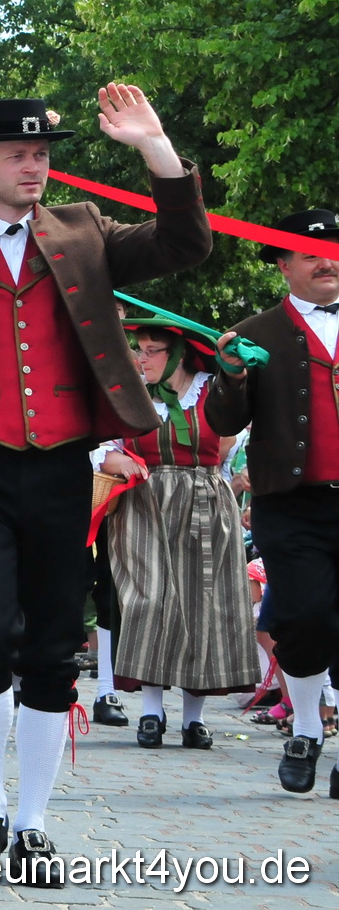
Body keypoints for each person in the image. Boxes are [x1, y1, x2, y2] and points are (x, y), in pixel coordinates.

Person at [0, 89, 211, 885]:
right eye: (18, 154)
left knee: (54, 645)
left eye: (43, 153)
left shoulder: (83, 228)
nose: (35, 165)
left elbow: (184, 243)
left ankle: (31, 822)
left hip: (64, 465)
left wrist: (155, 146)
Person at [206, 208, 339, 795]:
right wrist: (229, 376)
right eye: (309, 251)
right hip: (294, 503)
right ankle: (307, 726)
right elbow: (223, 420)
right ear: (283, 264)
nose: (326, 258)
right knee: (306, 616)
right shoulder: (254, 333)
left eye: (333, 248)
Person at [98, 318, 254, 750]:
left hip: (205, 500)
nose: (140, 358)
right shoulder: (131, 394)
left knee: (202, 603)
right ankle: (150, 710)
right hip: (146, 503)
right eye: (138, 348)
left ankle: (193, 718)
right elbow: (103, 449)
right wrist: (121, 462)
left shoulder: (212, 391)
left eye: (151, 350)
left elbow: (224, 445)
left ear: (178, 356)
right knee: (151, 600)